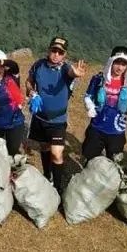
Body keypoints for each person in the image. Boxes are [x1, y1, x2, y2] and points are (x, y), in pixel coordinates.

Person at [26, 36, 86, 189]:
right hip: (40, 117)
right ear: (49, 50)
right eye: (54, 50)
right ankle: (48, 177)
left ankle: (58, 188)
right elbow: (29, 81)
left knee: (57, 153)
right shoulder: (38, 65)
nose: (56, 54)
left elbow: (72, 73)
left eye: (60, 52)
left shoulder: (65, 69)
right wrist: (32, 92)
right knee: (45, 148)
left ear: (64, 55)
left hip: (57, 120)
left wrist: (76, 73)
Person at [82, 46, 127, 161]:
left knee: (115, 165)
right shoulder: (98, 79)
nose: (120, 67)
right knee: (90, 160)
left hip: (117, 131)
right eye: (117, 63)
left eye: (124, 64)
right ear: (111, 61)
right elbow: (88, 96)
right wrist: (90, 107)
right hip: (97, 127)